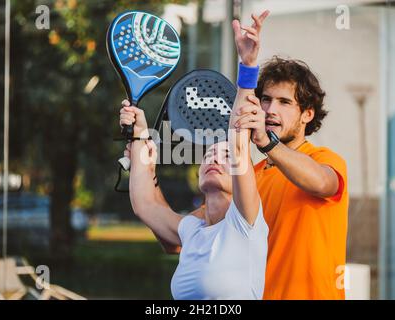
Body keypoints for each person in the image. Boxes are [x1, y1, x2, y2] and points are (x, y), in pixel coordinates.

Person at [144, 10, 349, 300]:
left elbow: (322, 183)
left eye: (284, 102)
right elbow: (179, 238)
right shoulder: (248, 178)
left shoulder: (324, 158)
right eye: (265, 99)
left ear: (307, 114)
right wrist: (143, 158)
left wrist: (265, 142)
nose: (270, 110)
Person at [119, 72, 270, 298]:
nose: (215, 159)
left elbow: (239, 143)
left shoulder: (245, 224)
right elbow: (145, 203)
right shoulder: (192, 230)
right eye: (209, 154)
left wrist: (248, 65)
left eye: (226, 156)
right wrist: (139, 134)